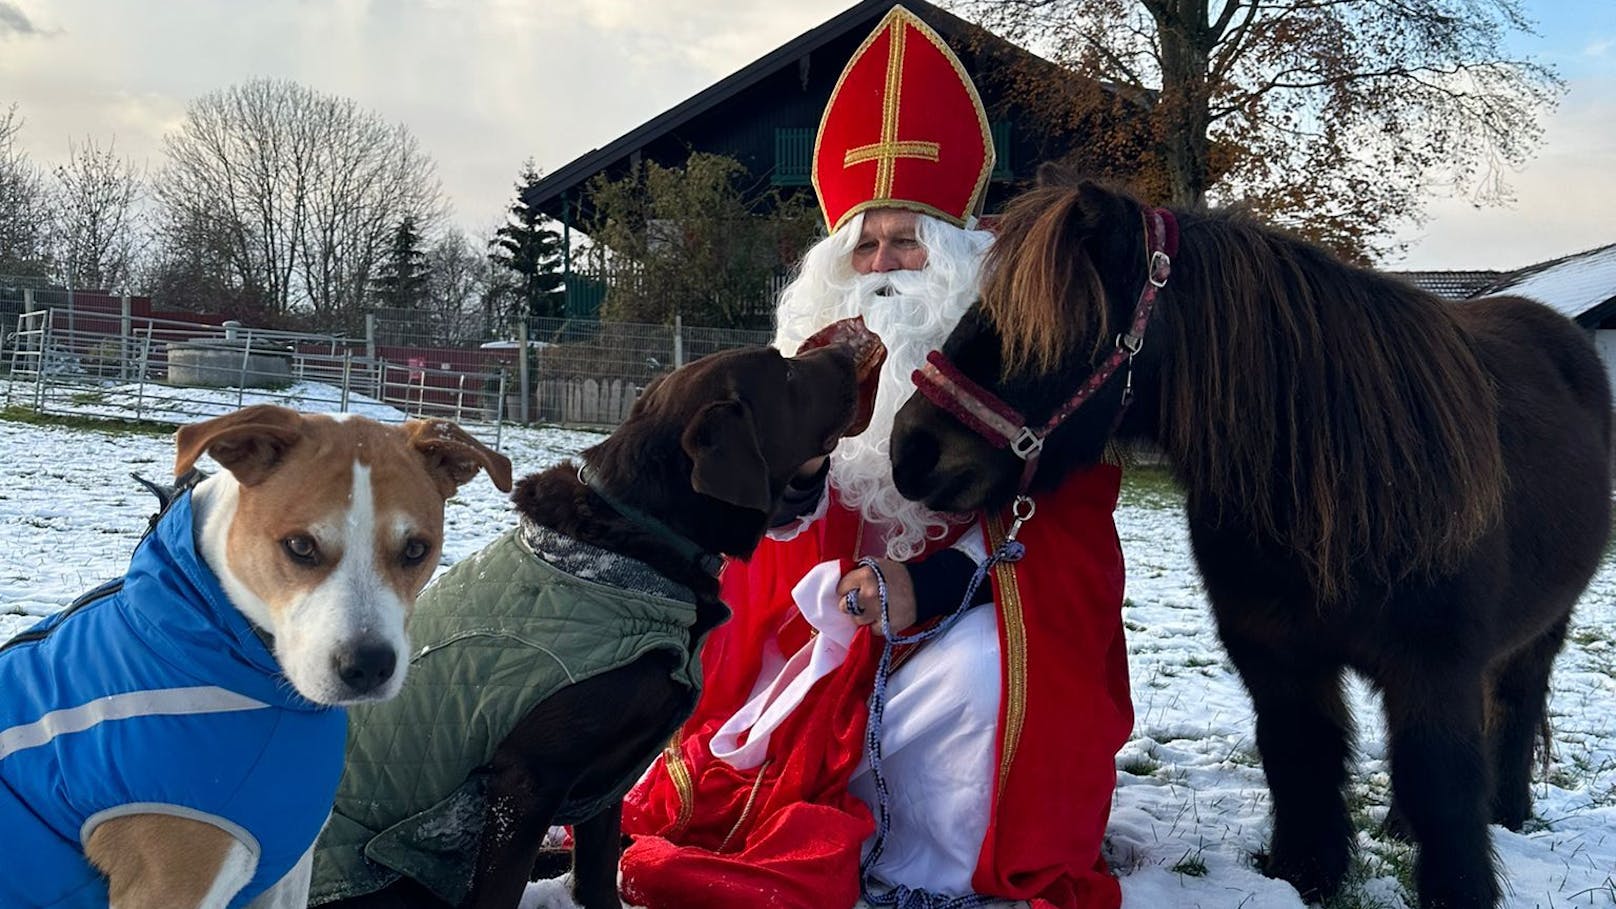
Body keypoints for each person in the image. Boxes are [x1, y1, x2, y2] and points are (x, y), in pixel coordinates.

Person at [619, 7, 1133, 909]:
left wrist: (926, 588)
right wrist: (800, 490)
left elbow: (1059, 534)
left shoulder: (1020, 374)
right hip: (818, 624)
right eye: (866, 243)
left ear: (956, 260)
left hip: (966, 612)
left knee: (980, 680)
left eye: (908, 241)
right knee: (748, 686)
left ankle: (927, 867)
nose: (884, 264)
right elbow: (759, 551)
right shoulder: (797, 371)